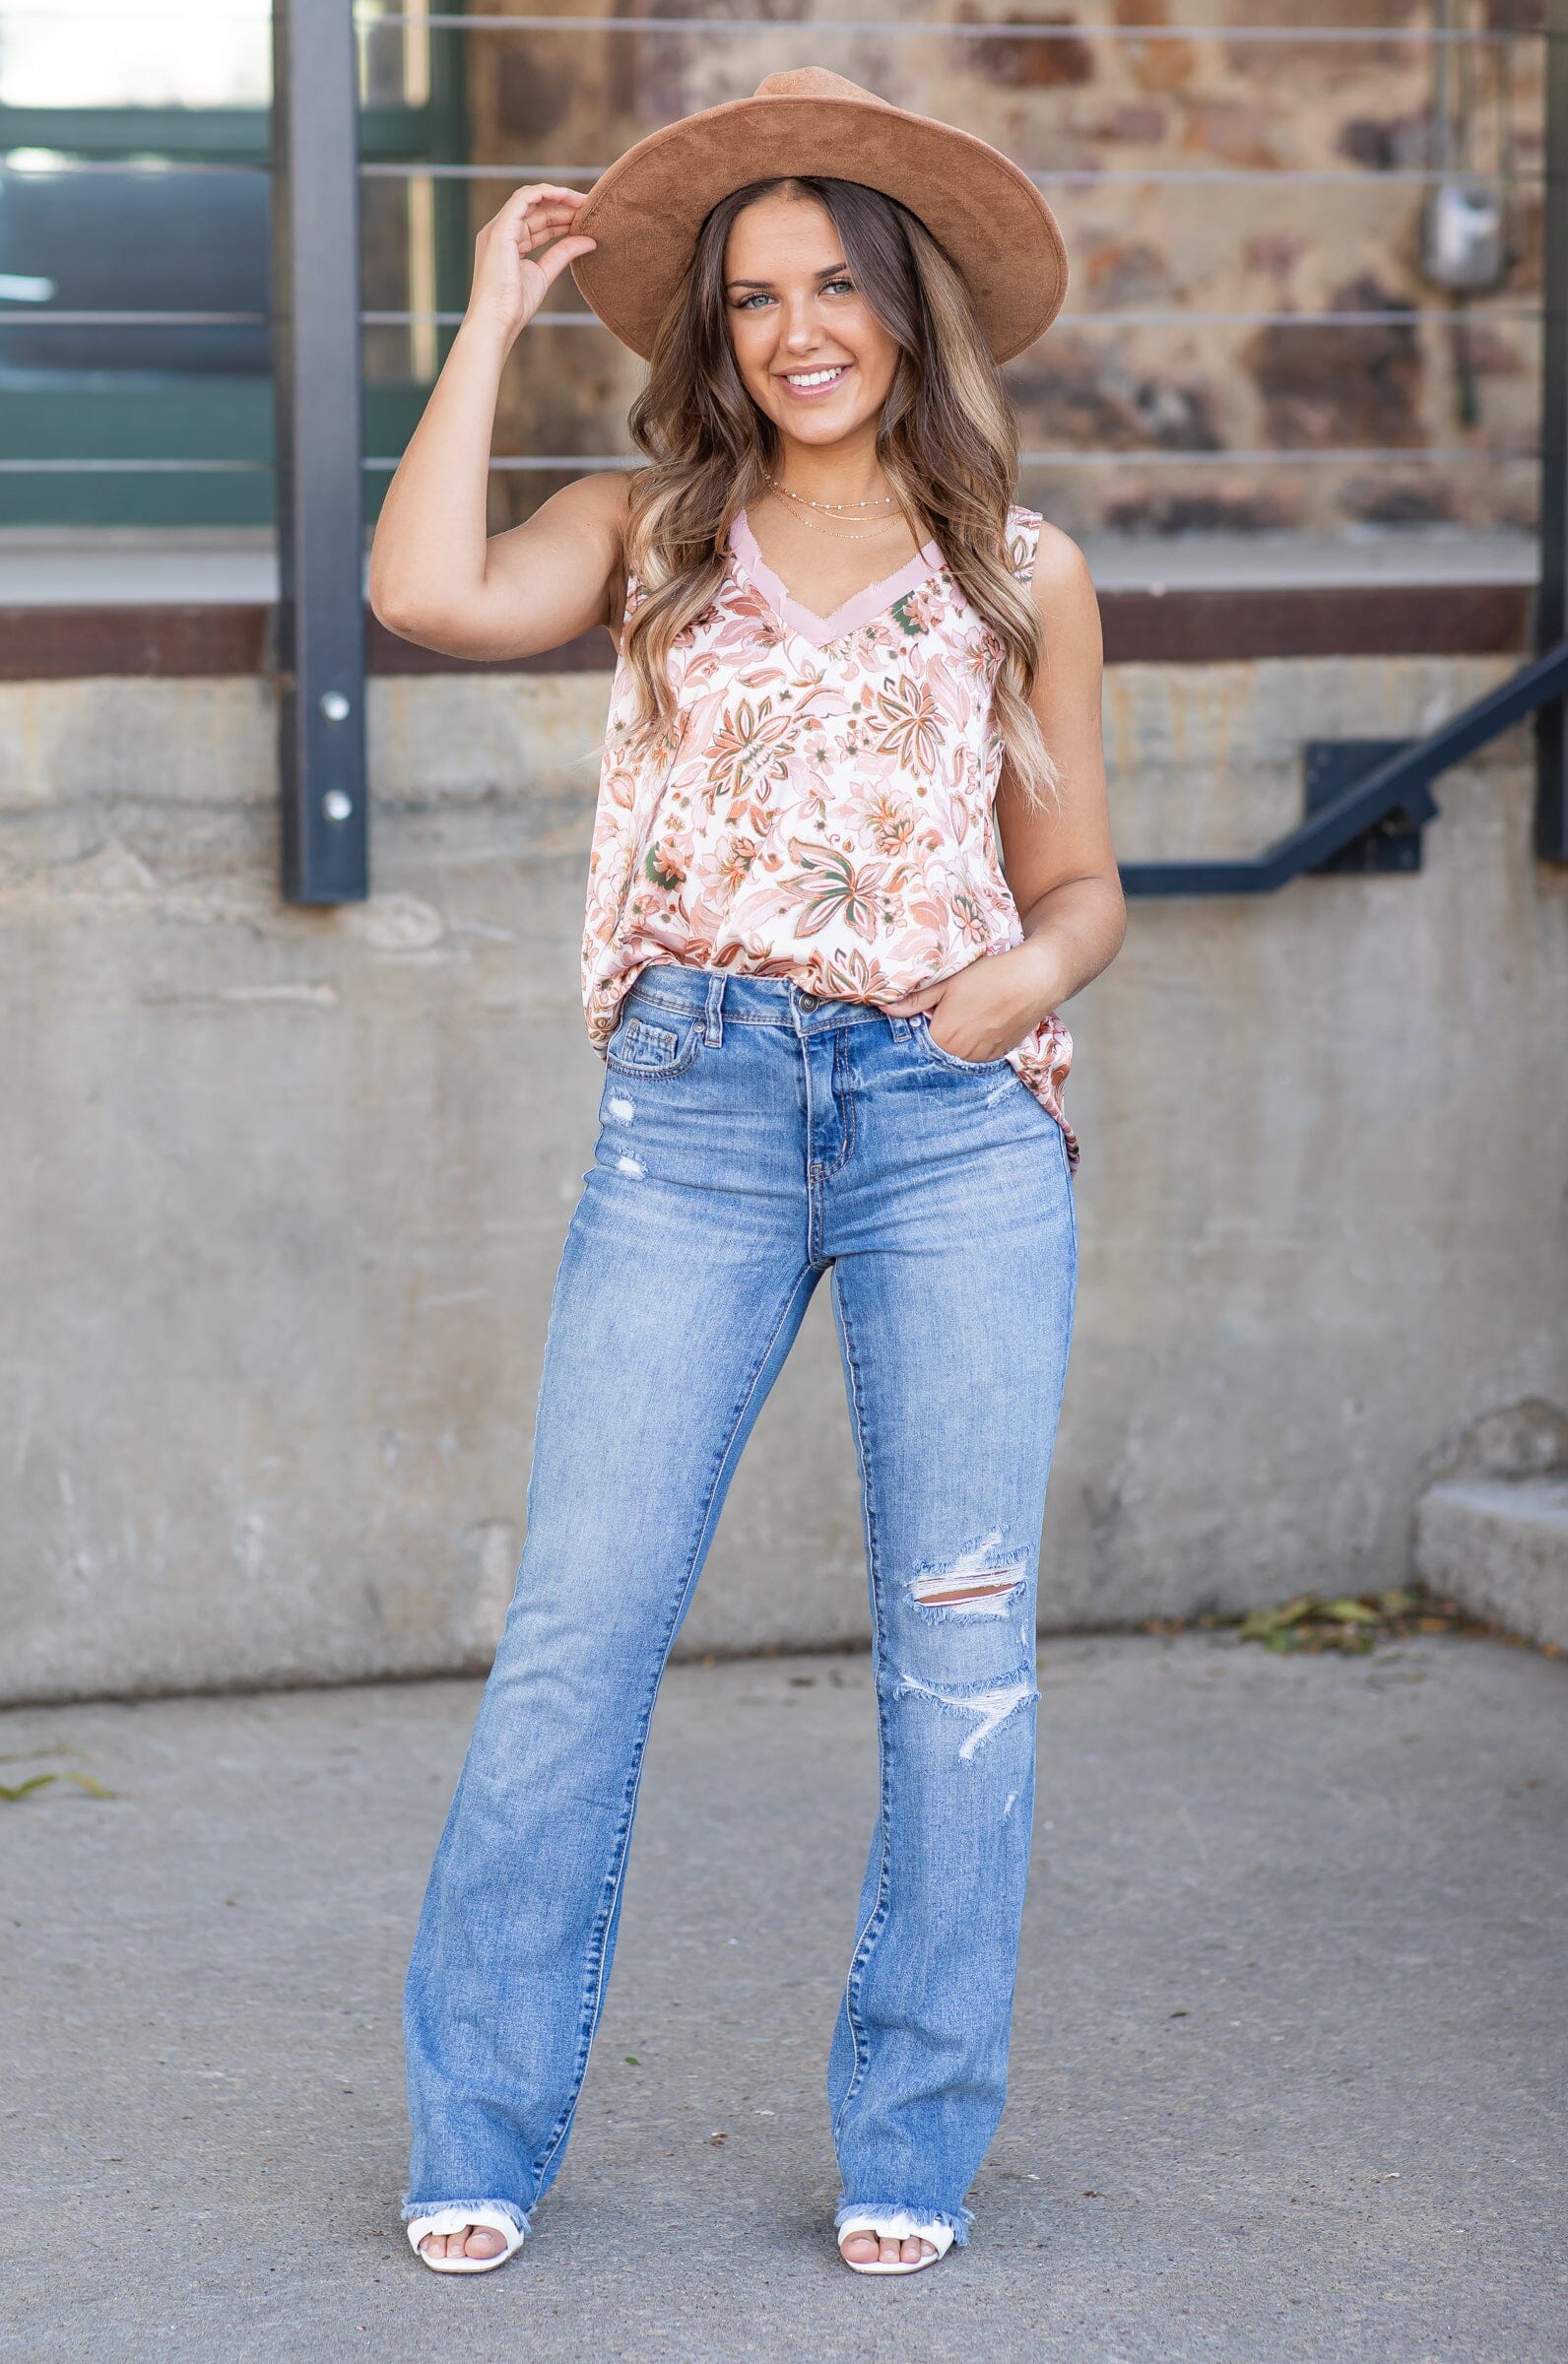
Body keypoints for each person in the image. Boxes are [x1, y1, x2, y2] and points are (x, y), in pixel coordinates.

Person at [368, 66, 1125, 2280]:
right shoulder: (648, 530)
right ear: (717, 330)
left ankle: (914, 2139)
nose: (798, 330)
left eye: (834, 287)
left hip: (950, 1126)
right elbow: (424, 596)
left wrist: (1011, 987)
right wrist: (494, 315)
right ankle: (479, 2125)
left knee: (959, 1658)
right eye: (754, 296)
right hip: (693, 1114)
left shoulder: (1022, 572)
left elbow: (1080, 882)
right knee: (574, 1639)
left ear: (904, 307)